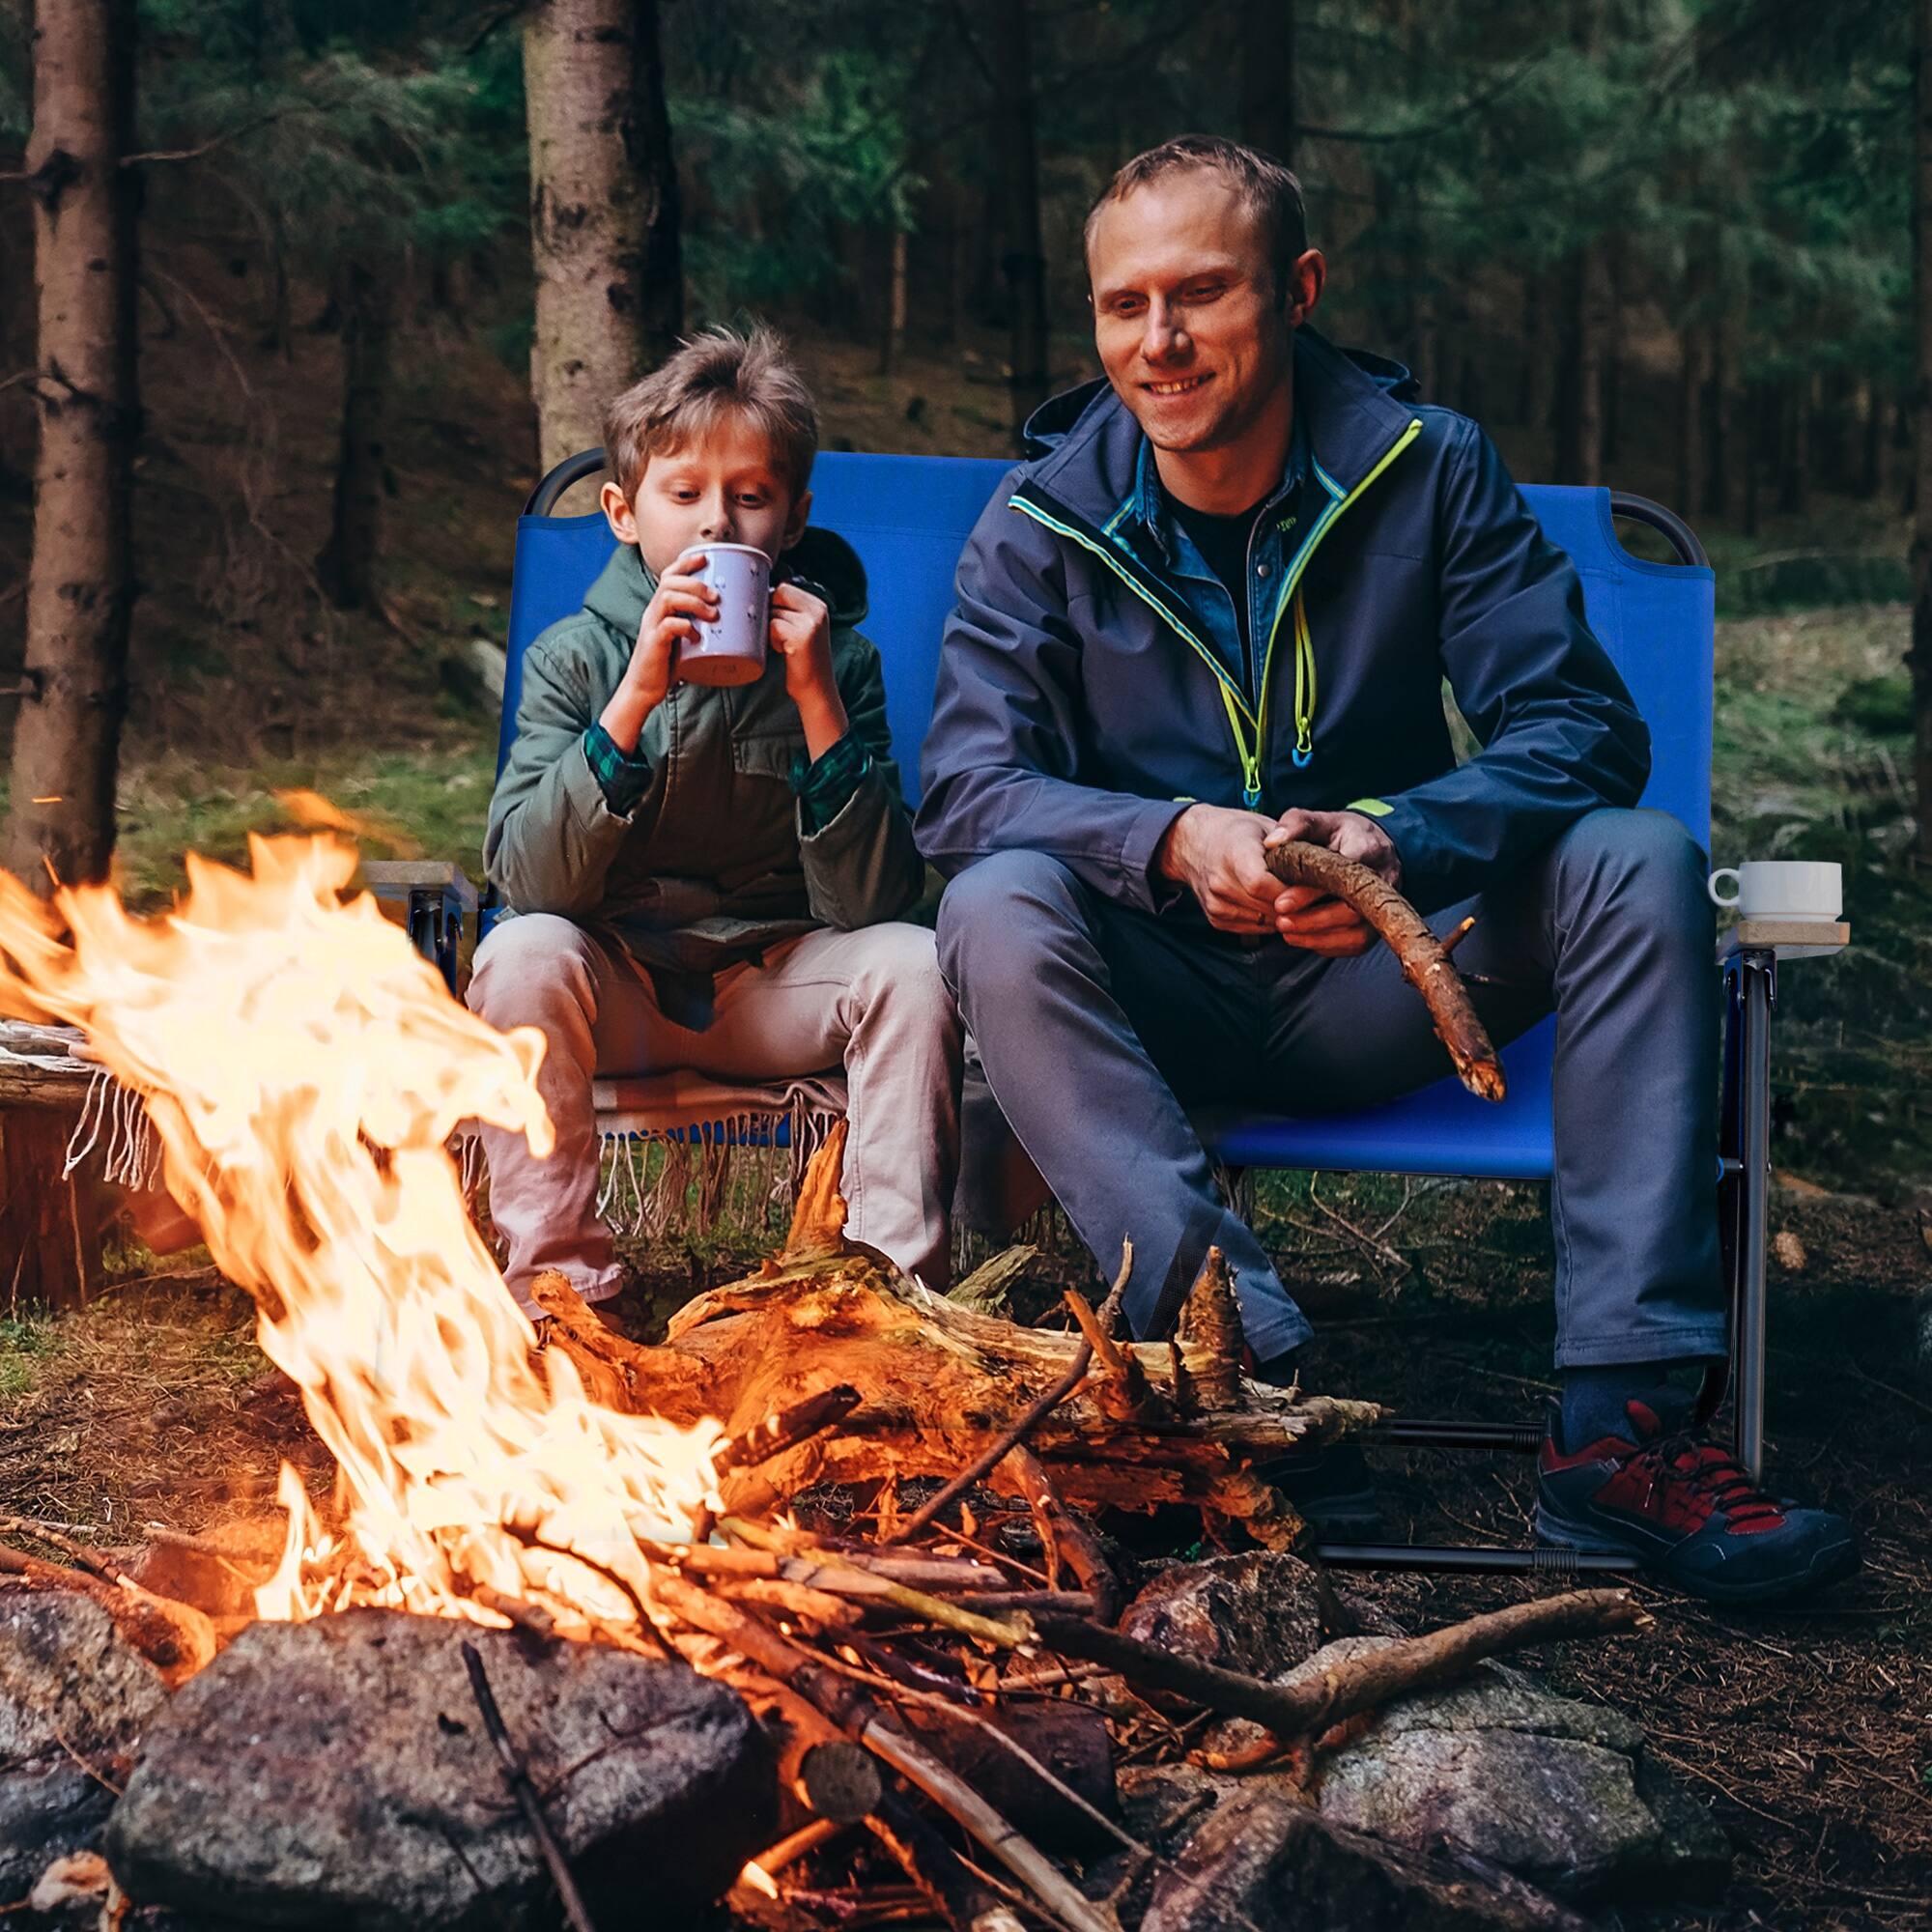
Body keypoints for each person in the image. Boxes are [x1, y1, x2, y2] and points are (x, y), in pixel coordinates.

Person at [917, 136, 1855, 1603]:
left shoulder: (1428, 470)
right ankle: (1258, 1382)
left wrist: (1401, 833)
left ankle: (1621, 1435)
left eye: (1201, 294)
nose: (1156, 343)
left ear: (1296, 290)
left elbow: (1583, 730)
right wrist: (1167, 841)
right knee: (991, 903)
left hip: (1390, 980)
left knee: (1636, 860)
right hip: (1145, 995)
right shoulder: (1044, 519)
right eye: (1123, 306)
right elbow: (966, 794)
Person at [470, 325, 961, 1315]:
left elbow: (872, 901)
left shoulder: (840, 663)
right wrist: (633, 698)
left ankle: (883, 1300)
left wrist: (818, 701)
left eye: (750, 496)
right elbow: (530, 882)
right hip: (616, 987)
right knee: (521, 950)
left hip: (768, 984)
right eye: (683, 493)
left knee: (911, 962)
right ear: (622, 511)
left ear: (791, 516)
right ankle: (563, 1296)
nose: (716, 526)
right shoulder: (574, 657)